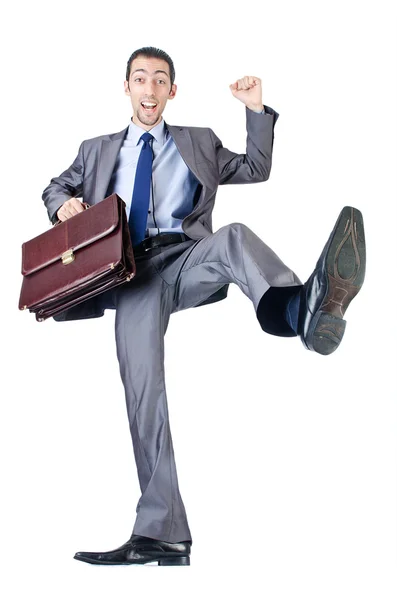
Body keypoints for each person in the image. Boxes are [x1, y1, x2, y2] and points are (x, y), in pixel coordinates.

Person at [41, 46, 366, 567]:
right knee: (144, 395)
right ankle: (162, 533)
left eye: (160, 80)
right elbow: (55, 186)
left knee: (234, 236)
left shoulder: (198, 143)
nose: (149, 90)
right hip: (129, 275)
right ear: (126, 87)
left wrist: (255, 109)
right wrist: (65, 204)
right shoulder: (96, 149)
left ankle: (296, 309)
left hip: (185, 257)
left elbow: (256, 167)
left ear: (173, 91)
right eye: (140, 79)